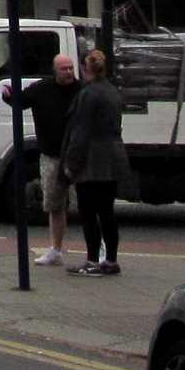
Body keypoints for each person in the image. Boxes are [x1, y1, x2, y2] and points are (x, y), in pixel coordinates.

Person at [1, 51, 79, 267]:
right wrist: (9, 96)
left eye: (71, 68)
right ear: (55, 71)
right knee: (54, 204)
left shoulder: (81, 91)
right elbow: (21, 101)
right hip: (52, 155)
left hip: (77, 156)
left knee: (90, 205)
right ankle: (55, 249)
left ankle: (99, 248)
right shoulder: (42, 89)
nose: (69, 72)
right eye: (64, 69)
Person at [62, 47, 129, 276]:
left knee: (88, 210)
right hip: (113, 156)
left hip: (92, 159)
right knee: (107, 210)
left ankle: (92, 261)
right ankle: (111, 260)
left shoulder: (88, 94)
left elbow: (80, 131)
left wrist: (71, 163)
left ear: (84, 69)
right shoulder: (111, 90)